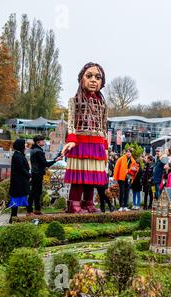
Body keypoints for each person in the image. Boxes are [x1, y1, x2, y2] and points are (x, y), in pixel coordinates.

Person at [61, 62, 109, 214]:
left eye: (97, 77)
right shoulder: (74, 101)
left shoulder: (102, 104)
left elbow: (103, 126)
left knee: (92, 177)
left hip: (97, 144)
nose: (94, 80)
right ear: (81, 79)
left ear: (102, 82)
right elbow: (70, 122)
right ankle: (74, 204)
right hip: (80, 142)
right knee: (79, 176)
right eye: (89, 76)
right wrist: (71, 139)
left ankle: (88, 202)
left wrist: (106, 147)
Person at [27, 135, 62, 215]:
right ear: (38, 142)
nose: (44, 142)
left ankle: (36, 210)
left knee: (36, 192)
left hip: (35, 173)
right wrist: (55, 160)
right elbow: (45, 164)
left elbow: (41, 164)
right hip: (38, 174)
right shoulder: (39, 151)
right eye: (42, 140)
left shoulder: (34, 150)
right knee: (35, 192)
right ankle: (30, 211)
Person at [7, 139, 31, 223]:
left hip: (20, 181)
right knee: (15, 199)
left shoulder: (19, 154)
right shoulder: (17, 155)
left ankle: (14, 217)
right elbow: (21, 168)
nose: (25, 145)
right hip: (18, 182)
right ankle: (13, 218)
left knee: (19, 198)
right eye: (24, 144)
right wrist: (29, 175)